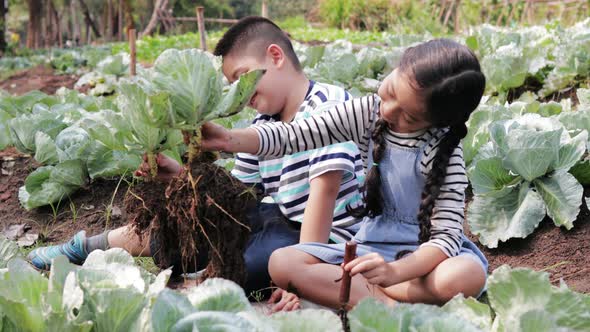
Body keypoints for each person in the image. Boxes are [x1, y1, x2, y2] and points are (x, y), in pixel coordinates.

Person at [28, 16, 365, 310]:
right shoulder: (262, 124)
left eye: (244, 76)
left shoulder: (328, 104)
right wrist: (181, 176)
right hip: (274, 218)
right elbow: (238, 198)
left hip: (323, 238)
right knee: (181, 229)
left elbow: (324, 192)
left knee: (242, 266)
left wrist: (304, 271)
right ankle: (81, 247)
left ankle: (195, 289)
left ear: (275, 56)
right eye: (234, 84)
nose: (241, 91)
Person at [199, 38, 489, 309]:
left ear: (438, 121)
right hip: (370, 247)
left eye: (409, 117)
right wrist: (228, 139)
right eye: (389, 92)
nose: (388, 111)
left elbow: (446, 238)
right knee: (282, 262)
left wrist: (394, 272)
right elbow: (295, 135)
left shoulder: (445, 151)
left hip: (422, 260)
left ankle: (366, 296)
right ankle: (389, 304)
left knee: (465, 275)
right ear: (397, 68)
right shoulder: (367, 112)